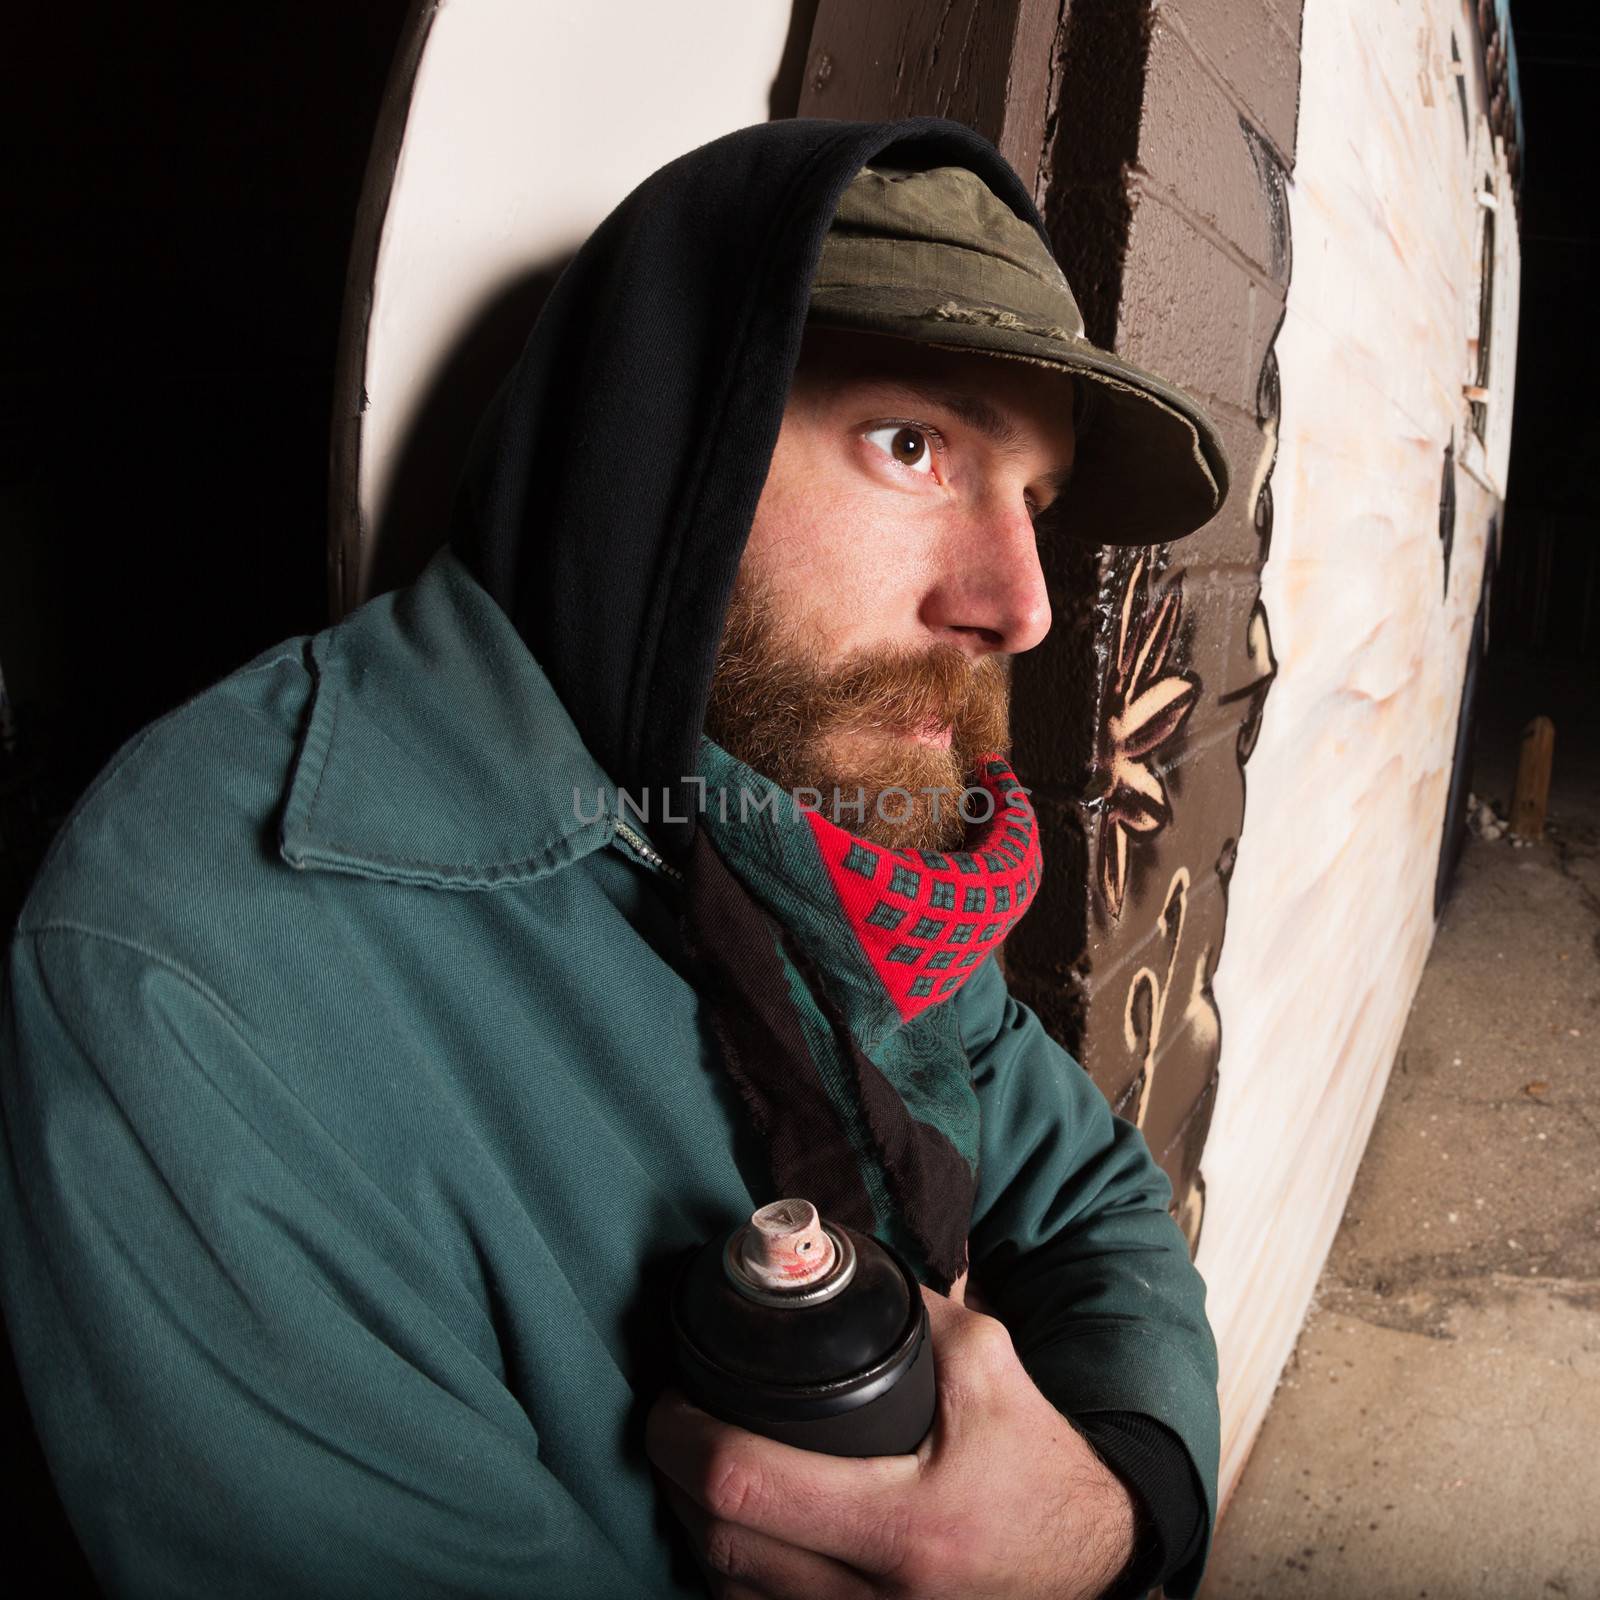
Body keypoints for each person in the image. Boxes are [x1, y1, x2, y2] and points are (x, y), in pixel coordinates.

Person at [0, 117, 1230, 1599]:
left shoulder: (809, 821)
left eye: (1029, 498)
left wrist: (1108, 1521)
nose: (1020, 604)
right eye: (915, 444)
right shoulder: (200, 967)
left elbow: (1091, 1193)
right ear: (660, 440)